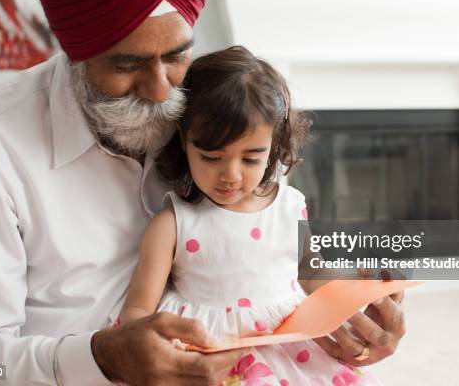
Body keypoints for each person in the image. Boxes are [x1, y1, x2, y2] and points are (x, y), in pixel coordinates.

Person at [0, 0, 405, 385]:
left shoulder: (220, 108)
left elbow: (276, 252)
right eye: (125, 64)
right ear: (72, 47)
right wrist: (99, 357)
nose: (161, 90)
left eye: (177, 55)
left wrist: (350, 305)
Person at [118, 46, 384, 385]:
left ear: (273, 146)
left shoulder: (289, 206)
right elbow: (138, 309)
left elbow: (312, 273)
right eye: (212, 158)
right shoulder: (173, 222)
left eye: (251, 158)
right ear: (185, 141)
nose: (230, 174)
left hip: (288, 341)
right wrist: (143, 347)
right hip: (207, 348)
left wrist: (357, 288)